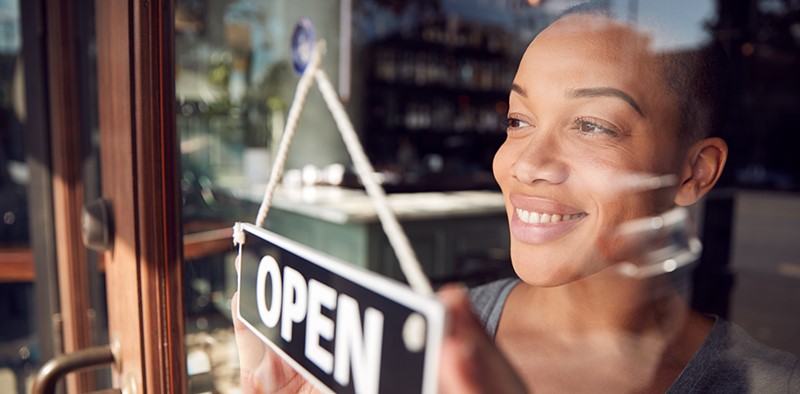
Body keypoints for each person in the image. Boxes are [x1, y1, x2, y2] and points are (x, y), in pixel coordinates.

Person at [231, 3, 800, 393]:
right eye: (518, 120)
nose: (524, 164)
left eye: (592, 126)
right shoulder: (422, 339)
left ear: (695, 172)